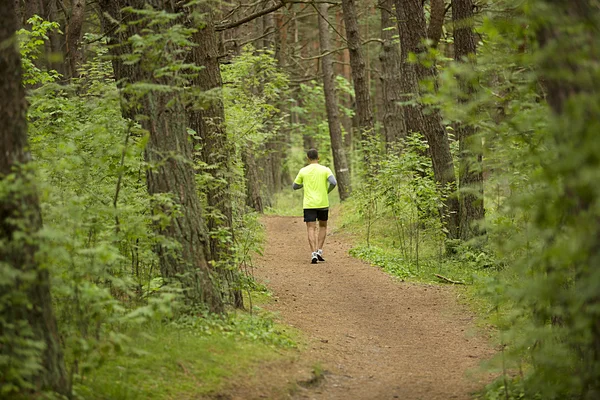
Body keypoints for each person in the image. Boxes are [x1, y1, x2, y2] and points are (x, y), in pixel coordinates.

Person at [293, 148, 337, 264]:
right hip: (323, 203)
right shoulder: (325, 170)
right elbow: (333, 182)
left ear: (307, 158)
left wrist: (304, 184)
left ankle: (313, 253)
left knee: (311, 228)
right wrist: (327, 191)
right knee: (323, 227)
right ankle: (319, 251)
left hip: (309, 204)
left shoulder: (303, 171)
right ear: (319, 158)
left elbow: (295, 186)